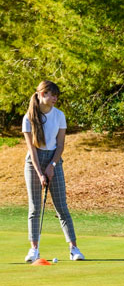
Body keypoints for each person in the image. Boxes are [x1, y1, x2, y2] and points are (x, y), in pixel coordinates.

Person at [22, 80, 84, 262]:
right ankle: (34, 249)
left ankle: (74, 248)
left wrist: (51, 166)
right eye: (51, 94)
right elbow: (31, 150)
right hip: (34, 162)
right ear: (41, 95)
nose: (55, 98)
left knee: (61, 207)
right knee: (35, 208)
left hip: (54, 160)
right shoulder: (28, 118)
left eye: (56, 95)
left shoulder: (59, 115)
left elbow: (60, 145)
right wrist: (40, 173)